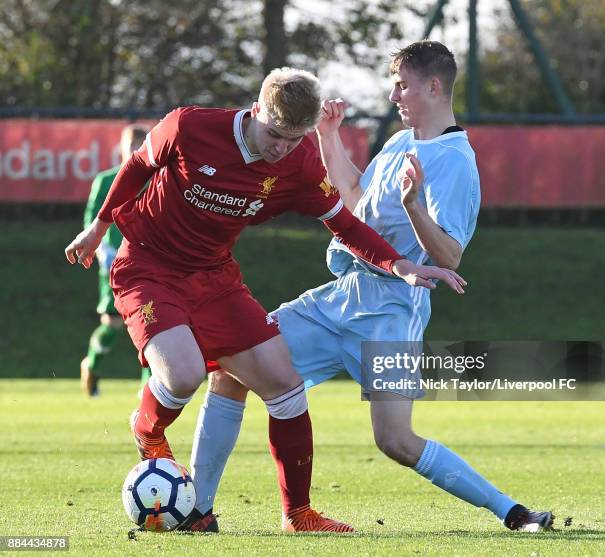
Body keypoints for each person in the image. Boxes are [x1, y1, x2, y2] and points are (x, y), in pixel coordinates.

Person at [64, 66, 465, 534]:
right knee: (185, 373)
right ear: (256, 110)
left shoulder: (297, 163)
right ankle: (148, 428)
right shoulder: (191, 127)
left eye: (294, 140)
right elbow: (137, 168)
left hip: (215, 277)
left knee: (285, 385)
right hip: (148, 268)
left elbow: (344, 223)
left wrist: (400, 265)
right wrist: (97, 229)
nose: (282, 148)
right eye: (275, 134)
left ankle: (298, 514)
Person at [190, 42, 554, 533]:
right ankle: (197, 511)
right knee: (232, 370)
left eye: (402, 84)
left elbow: (449, 256)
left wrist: (413, 206)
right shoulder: (401, 143)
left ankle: (512, 511)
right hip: (341, 297)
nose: (393, 94)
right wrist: (327, 135)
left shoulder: (455, 160)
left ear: (433, 86)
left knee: (396, 441)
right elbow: (357, 197)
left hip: (393, 311)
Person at [80, 124, 151, 397]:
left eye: (140, 143)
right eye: (131, 143)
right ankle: (92, 364)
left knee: (152, 320)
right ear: (121, 147)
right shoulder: (106, 180)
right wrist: (100, 250)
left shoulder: (155, 180)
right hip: (113, 263)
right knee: (112, 325)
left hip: (147, 261)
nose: (135, 148)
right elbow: (91, 218)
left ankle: (149, 388)